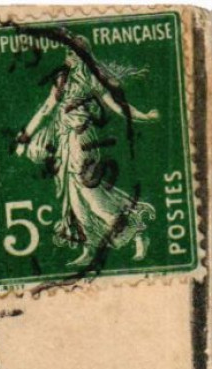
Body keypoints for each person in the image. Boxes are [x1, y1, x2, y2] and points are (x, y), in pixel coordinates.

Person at [15, 42, 159, 267]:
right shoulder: (61, 80)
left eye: (72, 52)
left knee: (91, 195)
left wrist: (145, 116)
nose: (68, 56)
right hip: (64, 141)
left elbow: (119, 107)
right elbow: (46, 109)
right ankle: (90, 247)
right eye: (67, 52)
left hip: (83, 140)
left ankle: (136, 230)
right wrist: (24, 136)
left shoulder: (93, 79)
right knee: (75, 200)